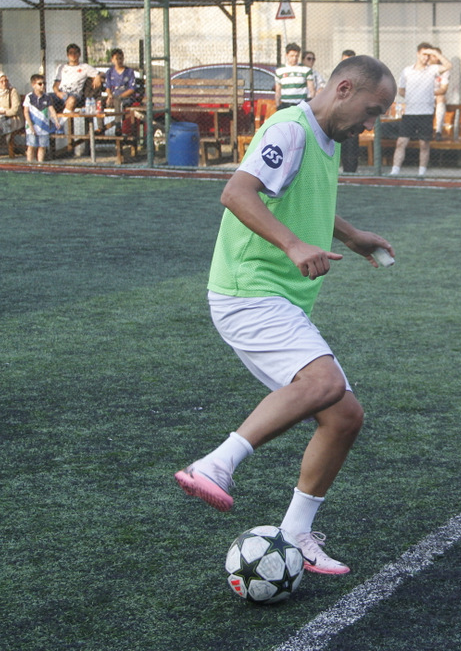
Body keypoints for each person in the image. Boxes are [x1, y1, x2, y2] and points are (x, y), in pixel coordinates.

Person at [175, 54, 397, 577]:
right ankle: (215, 464)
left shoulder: (323, 138)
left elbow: (300, 195)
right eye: (372, 111)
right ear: (344, 89)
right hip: (248, 292)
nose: (371, 124)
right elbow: (236, 192)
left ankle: (296, 532)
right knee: (325, 384)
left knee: (344, 416)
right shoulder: (290, 129)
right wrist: (294, 244)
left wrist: (350, 235)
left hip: (277, 298)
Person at [391, 43, 450, 176]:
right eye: (424, 54)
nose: (426, 58)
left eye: (429, 55)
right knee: (401, 142)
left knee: (424, 144)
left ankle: (421, 172)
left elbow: (448, 66)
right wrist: (413, 96)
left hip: (426, 113)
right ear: (418, 54)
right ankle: (395, 171)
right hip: (410, 113)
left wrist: (435, 53)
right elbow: (401, 90)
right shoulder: (407, 70)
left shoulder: (432, 69)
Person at [53, 43, 102, 113]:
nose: (73, 55)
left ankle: (62, 119)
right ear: (67, 55)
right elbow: (55, 85)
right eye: (71, 53)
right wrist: (58, 93)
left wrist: (98, 76)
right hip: (61, 93)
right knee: (46, 98)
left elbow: (101, 73)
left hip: (74, 94)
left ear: (79, 54)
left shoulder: (85, 67)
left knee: (71, 100)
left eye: (75, 53)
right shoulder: (61, 67)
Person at [23, 73, 60, 163]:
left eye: (44, 83)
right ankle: (29, 165)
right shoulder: (29, 97)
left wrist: (56, 121)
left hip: (44, 127)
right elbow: (26, 112)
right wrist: (31, 126)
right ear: (33, 85)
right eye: (40, 84)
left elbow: (52, 110)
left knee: (42, 146)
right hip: (32, 126)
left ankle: (40, 164)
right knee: (31, 146)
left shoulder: (47, 97)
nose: (43, 85)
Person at [103, 48, 139, 136]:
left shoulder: (129, 72)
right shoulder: (109, 72)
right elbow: (107, 87)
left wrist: (119, 96)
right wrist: (110, 95)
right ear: (112, 60)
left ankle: (118, 126)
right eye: (116, 59)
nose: (119, 61)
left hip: (125, 98)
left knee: (118, 101)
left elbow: (132, 89)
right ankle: (101, 129)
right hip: (113, 97)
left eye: (120, 58)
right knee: (99, 101)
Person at [275, 43, 317, 109]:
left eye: (296, 56)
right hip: (285, 105)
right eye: (292, 56)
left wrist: (311, 104)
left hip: (300, 104)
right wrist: (277, 105)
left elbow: (311, 89)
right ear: (286, 55)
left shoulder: (306, 70)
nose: (294, 58)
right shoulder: (280, 71)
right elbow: (278, 90)